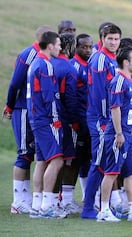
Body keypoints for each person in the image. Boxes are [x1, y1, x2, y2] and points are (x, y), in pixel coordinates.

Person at [97, 47, 132, 222]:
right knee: (111, 172)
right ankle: (104, 211)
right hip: (118, 134)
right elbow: (115, 109)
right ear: (126, 62)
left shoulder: (130, 80)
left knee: (130, 172)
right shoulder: (119, 81)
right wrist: (119, 133)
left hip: (128, 133)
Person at [3, 25, 54, 214]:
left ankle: (29, 198)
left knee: (36, 153)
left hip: (34, 111)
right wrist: (9, 105)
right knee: (24, 153)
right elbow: (15, 83)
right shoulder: (30, 54)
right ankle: (19, 200)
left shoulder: (43, 56)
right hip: (24, 108)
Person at [81, 23, 122, 219]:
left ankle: (102, 205)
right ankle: (88, 207)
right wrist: (106, 120)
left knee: (106, 163)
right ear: (102, 39)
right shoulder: (99, 60)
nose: (113, 42)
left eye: (116, 39)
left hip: (108, 118)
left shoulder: (114, 59)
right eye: (110, 39)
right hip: (100, 118)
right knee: (98, 162)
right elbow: (99, 94)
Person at [26, 31, 66, 218]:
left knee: (42, 161)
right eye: (58, 44)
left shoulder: (34, 63)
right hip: (46, 119)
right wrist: (55, 119)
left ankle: (37, 204)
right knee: (57, 160)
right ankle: (47, 206)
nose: (60, 47)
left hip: (36, 118)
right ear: (50, 46)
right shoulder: (46, 65)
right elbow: (48, 97)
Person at [50, 32, 79, 214]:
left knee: (47, 160)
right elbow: (70, 98)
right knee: (62, 161)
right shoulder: (68, 68)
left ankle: (45, 201)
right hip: (63, 121)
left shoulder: (46, 63)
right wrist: (75, 121)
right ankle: (58, 201)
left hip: (44, 118)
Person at [69, 33, 93, 203]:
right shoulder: (73, 66)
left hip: (90, 119)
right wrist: (75, 121)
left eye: (90, 47)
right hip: (78, 120)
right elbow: (71, 97)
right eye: (84, 46)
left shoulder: (91, 64)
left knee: (88, 158)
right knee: (75, 159)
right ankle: (66, 198)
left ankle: (87, 196)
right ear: (76, 47)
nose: (87, 50)